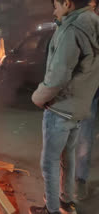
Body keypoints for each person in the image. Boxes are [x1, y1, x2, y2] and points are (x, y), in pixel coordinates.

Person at [30, 0, 99, 214]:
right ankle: (67, 202)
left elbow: (57, 77)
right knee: (67, 158)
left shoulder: (72, 29)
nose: (54, 11)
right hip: (79, 107)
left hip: (60, 108)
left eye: (56, 5)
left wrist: (38, 98)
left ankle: (51, 210)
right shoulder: (95, 22)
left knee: (49, 163)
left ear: (67, 3)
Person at [75, 0, 99, 201]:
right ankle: (80, 181)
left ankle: (79, 182)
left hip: (92, 88)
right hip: (89, 90)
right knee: (85, 134)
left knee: (85, 135)